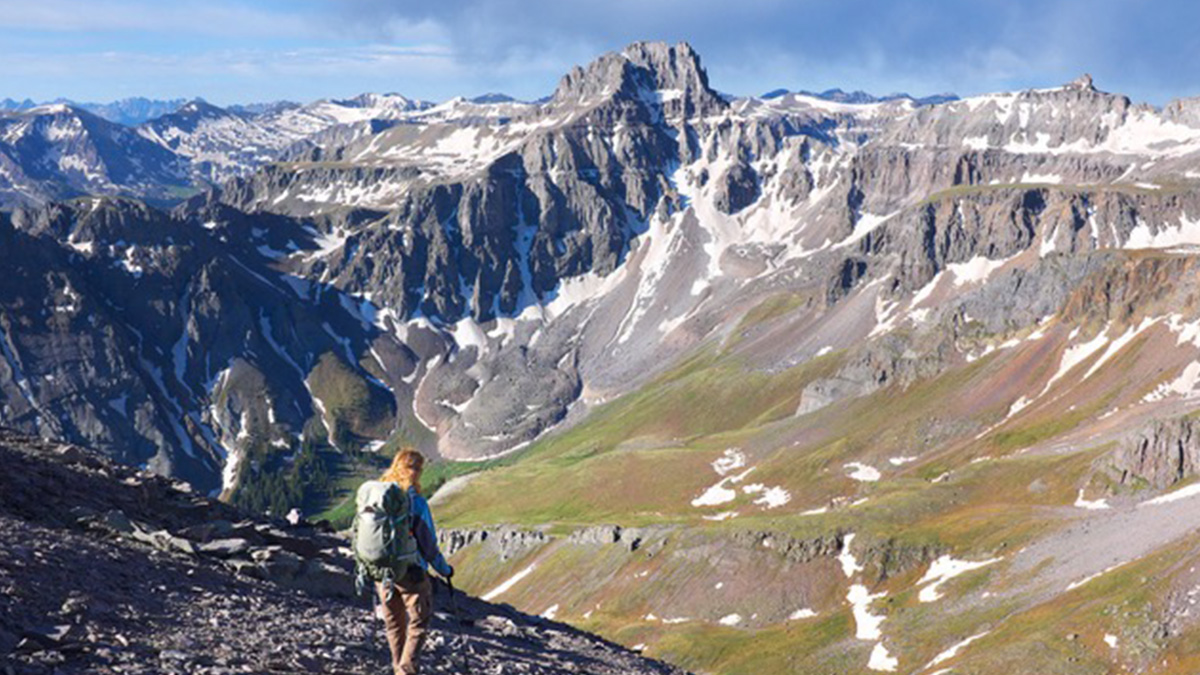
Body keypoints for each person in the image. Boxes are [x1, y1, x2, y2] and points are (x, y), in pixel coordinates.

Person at [376, 448, 454, 675]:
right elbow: (428, 546)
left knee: (394, 625)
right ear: (416, 471)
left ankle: (397, 668)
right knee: (418, 623)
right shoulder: (416, 503)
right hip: (412, 573)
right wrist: (445, 570)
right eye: (419, 469)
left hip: (382, 573)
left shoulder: (381, 496)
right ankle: (405, 671)